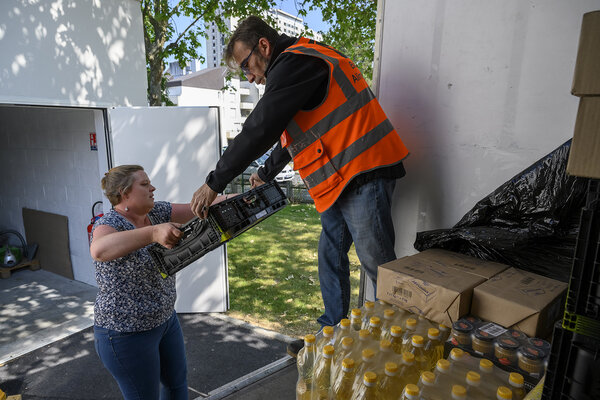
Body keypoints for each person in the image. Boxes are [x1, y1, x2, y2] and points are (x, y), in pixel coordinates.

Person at [190, 16, 410, 358]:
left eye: (247, 65)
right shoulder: (298, 63)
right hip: (343, 178)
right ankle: (331, 336)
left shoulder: (295, 62)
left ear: (264, 46)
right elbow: (299, 133)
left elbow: (261, 125)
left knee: (378, 265)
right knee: (330, 254)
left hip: (364, 171)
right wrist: (267, 171)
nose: (249, 77)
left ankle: (401, 350)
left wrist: (214, 183)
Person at [90, 165, 228, 399]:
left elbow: (203, 207)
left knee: (176, 387)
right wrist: (153, 234)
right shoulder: (108, 223)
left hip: (164, 321)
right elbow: (99, 250)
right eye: (144, 184)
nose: (153, 188)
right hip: (125, 332)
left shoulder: (157, 212)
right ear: (125, 194)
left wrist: (241, 198)